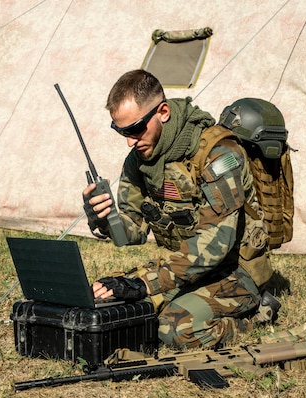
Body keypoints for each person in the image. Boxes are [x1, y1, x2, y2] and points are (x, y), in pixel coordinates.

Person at [83, 69, 280, 349]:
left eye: (135, 129)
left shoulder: (219, 154)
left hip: (235, 270)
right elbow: (133, 229)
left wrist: (147, 284)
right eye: (121, 132)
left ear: (162, 112)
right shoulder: (139, 160)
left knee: (174, 328)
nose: (129, 141)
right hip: (187, 267)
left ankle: (258, 314)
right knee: (108, 300)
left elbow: (217, 243)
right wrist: (104, 218)